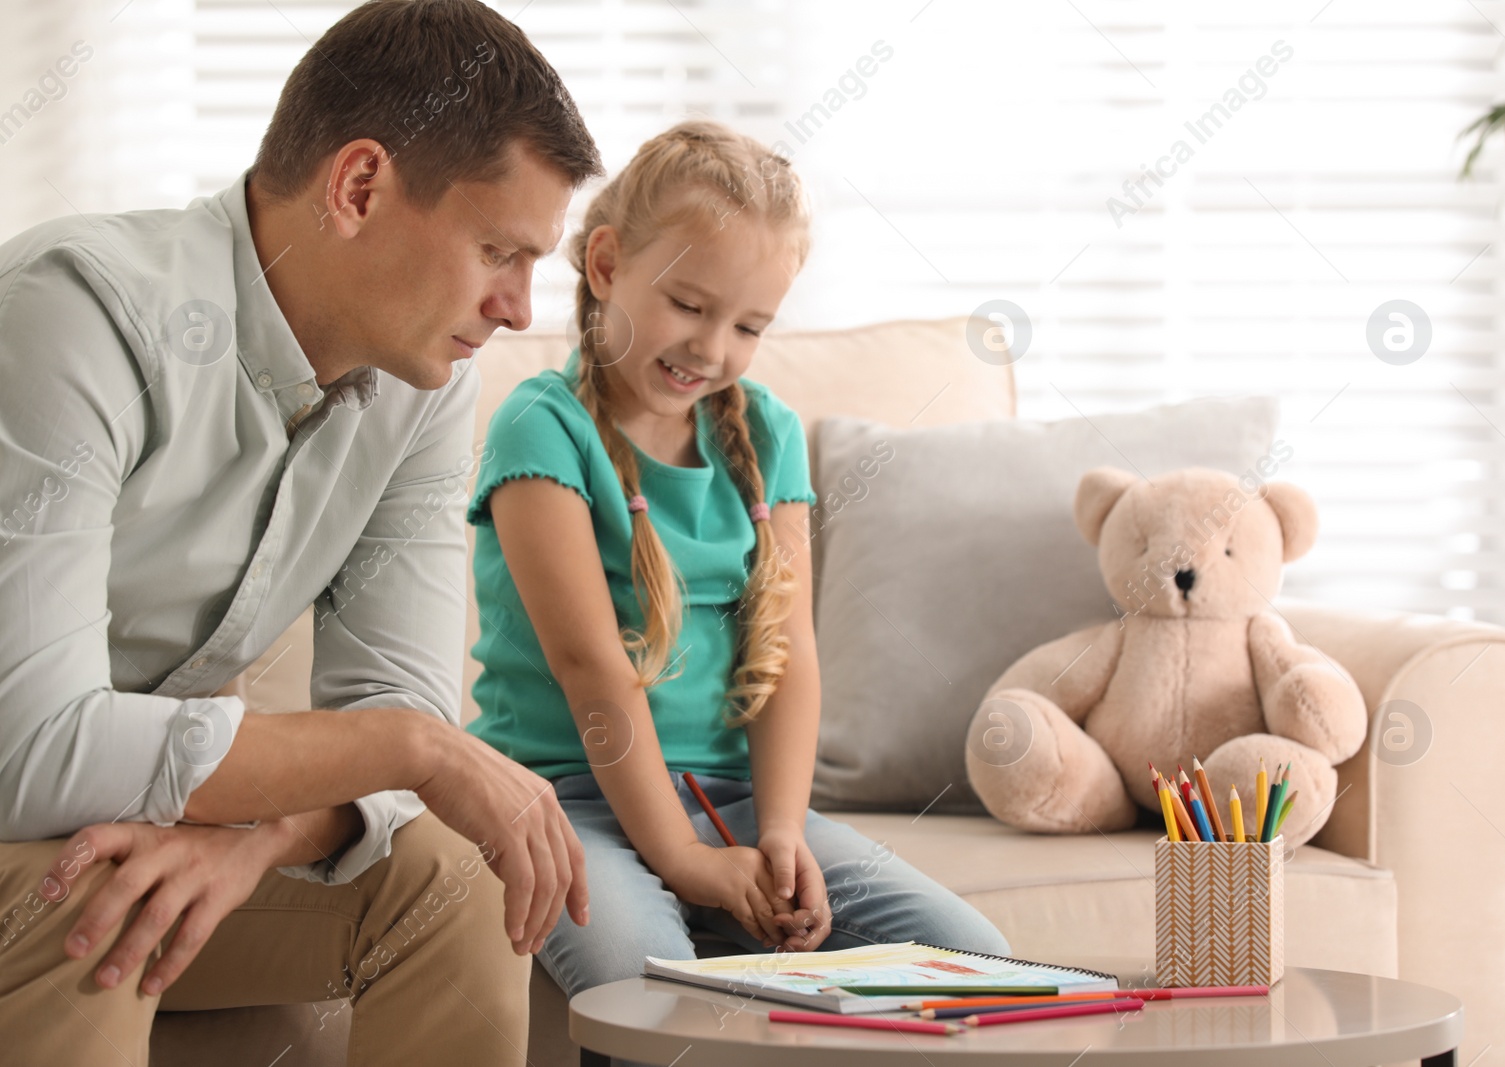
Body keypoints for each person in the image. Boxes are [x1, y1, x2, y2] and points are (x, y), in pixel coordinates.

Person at [0, 3, 599, 1063]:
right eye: (497, 249)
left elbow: (396, 701)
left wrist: (262, 833)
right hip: (27, 826)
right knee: (94, 892)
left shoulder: (422, 377)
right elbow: (30, 751)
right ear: (358, 187)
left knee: (456, 874)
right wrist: (416, 750)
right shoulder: (74, 317)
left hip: (127, 821)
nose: (517, 306)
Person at [467, 120, 1013, 1020]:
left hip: (733, 801)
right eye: (689, 304)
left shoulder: (769, 434)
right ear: (605, 265)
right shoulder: (540, 428)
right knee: (639, 986)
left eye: (750, 324)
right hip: (563, 800)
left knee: (975, 962)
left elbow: (789, 652)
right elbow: (592, 667)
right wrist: (683, 862)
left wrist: (782, 833)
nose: (713, 349)